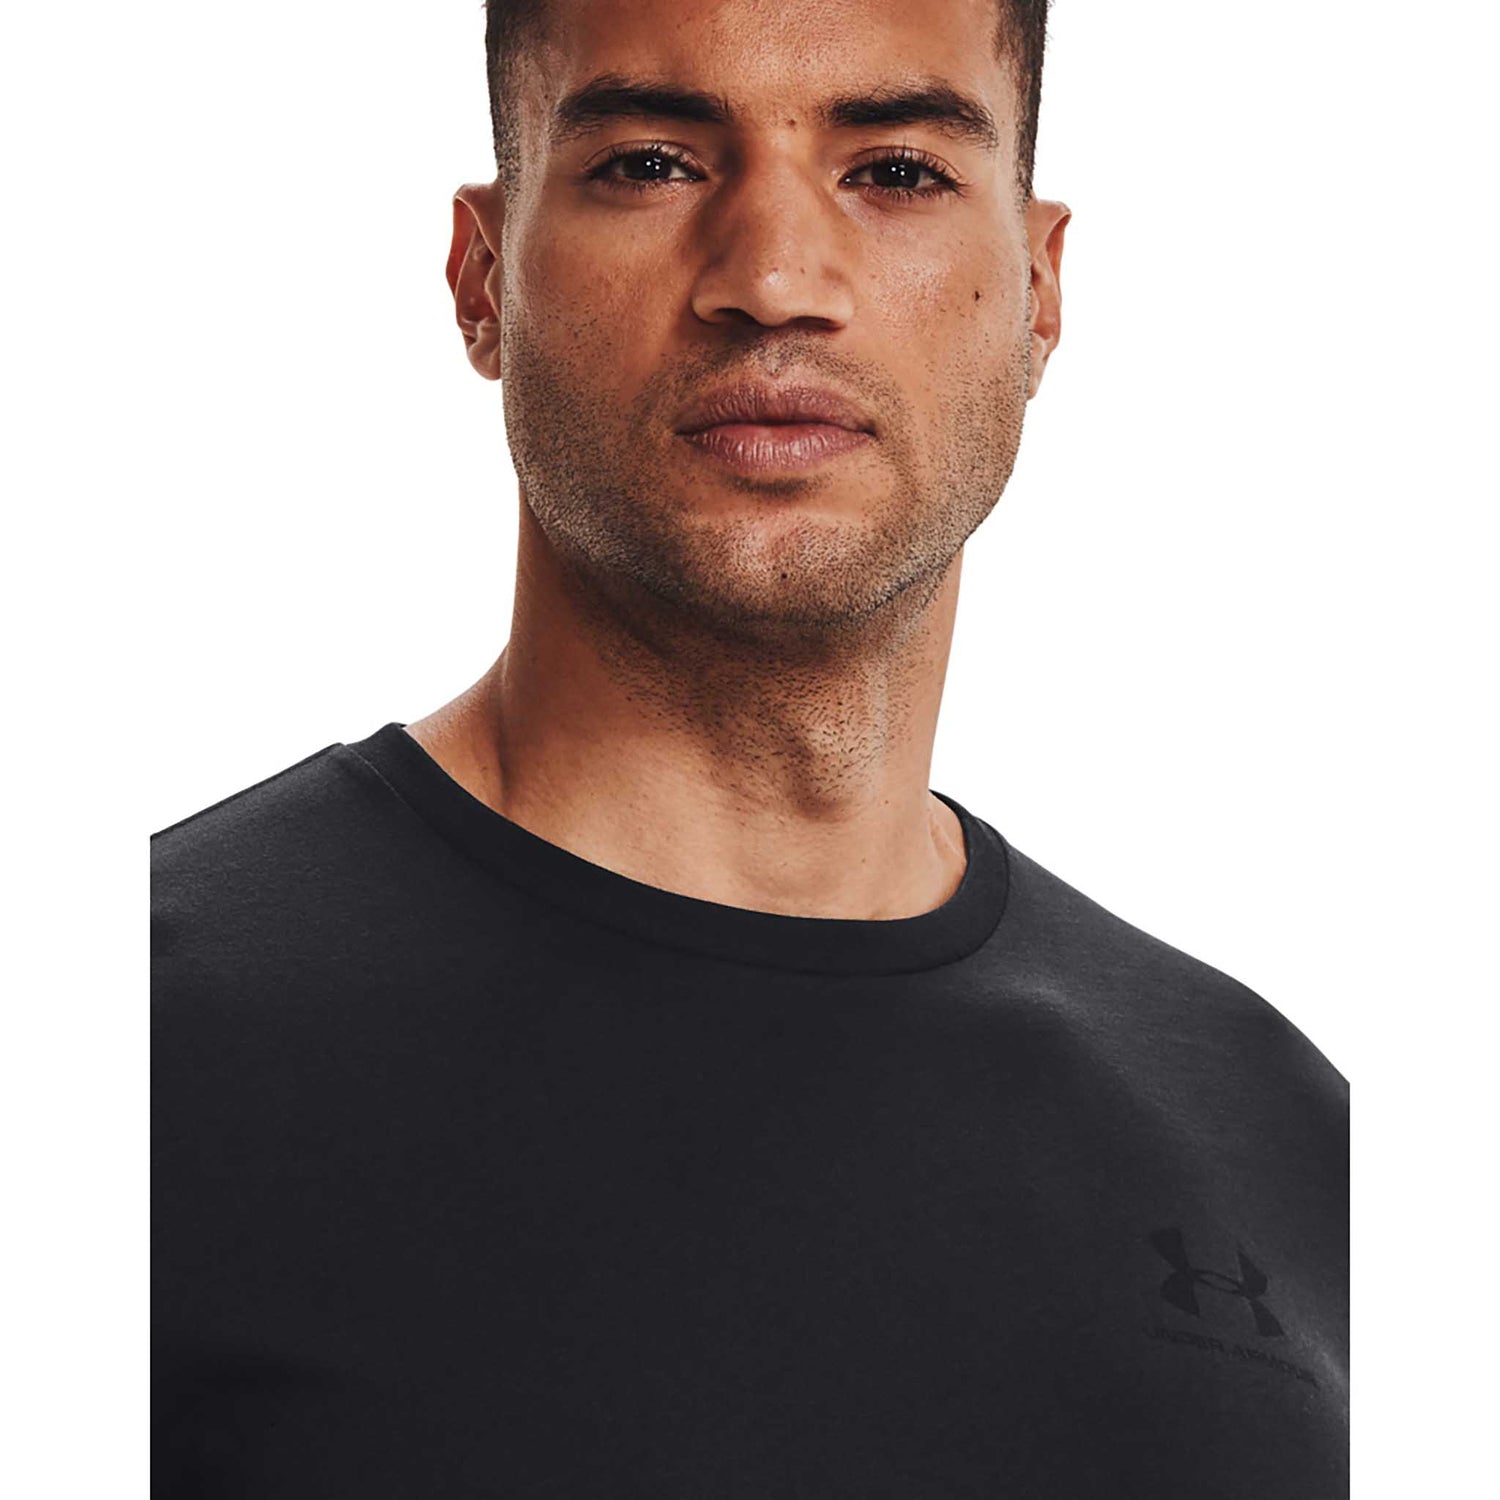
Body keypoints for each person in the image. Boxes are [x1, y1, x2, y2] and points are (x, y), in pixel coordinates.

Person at [151, 0, 1349, 1494]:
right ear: (482, 277)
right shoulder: (121, 1058)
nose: (774, 280)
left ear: (1040, 293)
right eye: (651, 163)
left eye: (895, 171)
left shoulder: (1286, 1136)